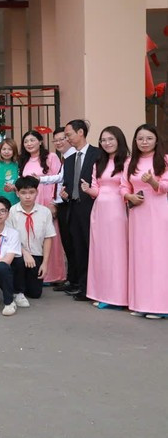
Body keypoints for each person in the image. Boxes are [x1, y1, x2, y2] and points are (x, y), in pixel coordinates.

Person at [121, 124, 168, 318]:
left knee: (158, 257)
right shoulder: (130, 161)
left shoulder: (164, 160)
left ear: (156, 140)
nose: (144, 142)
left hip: (157, 211)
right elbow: (124, 186)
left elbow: (165, 186)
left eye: (149, 138)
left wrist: (152, 182)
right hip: (138, 214)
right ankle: (141, 303)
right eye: (140, 138)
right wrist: (129, 197)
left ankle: (160, 306)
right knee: (139, 257)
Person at [82, 126, 128, 309]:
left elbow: (127, 187)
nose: (106, 143)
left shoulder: (127, 161)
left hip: (117, 209)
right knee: (100, 252)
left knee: (116, 252)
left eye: (110, 139)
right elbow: (96, 190)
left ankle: (119, 296)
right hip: (99, 209)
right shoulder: (98, 162)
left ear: (119, 140)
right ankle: (102, 293)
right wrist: (87, 189)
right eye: (103, 140)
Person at [61, 119, 101, 300]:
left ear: (80, 132)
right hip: (73, 208)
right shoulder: (69, 159)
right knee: (78, 248)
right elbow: (68, 184)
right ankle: (83, 286)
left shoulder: (97, 155)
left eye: (68, 134)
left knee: (91, 247)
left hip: (91, 208)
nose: (67, 138)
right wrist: (66, 194)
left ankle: (94, 287)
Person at [19, 130, 65, 285]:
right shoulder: (24, 161)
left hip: (46, 201)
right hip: (31, 202)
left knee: (50, 236)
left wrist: (54, 202)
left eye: (32, 140)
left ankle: (54, 274)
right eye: (26, 141)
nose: (29, 144)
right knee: (33, 235)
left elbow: (59, 181)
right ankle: (34, 272)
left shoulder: (51, 157)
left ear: (40, 141)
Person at [6, 177, 55, 306]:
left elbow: (48, 238)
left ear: (37, 192)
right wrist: (25, 253)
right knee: (20, 261)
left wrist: (45, 263)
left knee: (35, 293)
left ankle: (20, 285)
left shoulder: (45, 212)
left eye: (31, 192)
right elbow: (10, 239)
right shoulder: (12, 211)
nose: (28, 197)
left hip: (37, 256)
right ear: (17, 193)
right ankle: (18, 292)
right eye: (23, 193)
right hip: (18, 255)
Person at [38, 128, 77, 289]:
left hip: (70, 204)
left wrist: (55, 201)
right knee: (68, 243)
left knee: (74, 244)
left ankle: (76, 281)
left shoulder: (75, 157)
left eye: (64, 138)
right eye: (57, 140)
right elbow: (60, 178)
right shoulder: (66, 158)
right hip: (62, 203)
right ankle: (72, 279)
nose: (60, 142)